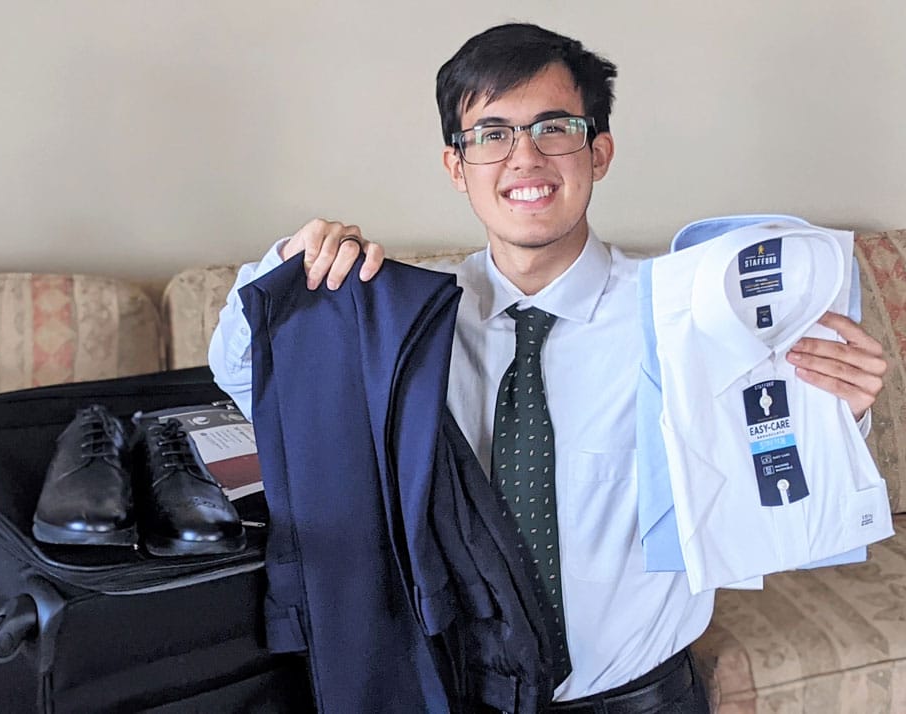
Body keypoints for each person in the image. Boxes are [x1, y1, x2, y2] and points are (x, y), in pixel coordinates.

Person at [209, 22, 887, 712]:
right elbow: (248, 378)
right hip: (459, 689)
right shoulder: (407, 323)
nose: (524, 156)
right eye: (492, 133)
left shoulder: (684, 312)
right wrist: (287, 269)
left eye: (553, 128)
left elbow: (767, 486)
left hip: (642, 695)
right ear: (456, 165)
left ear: (599, 152)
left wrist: (837, 416)